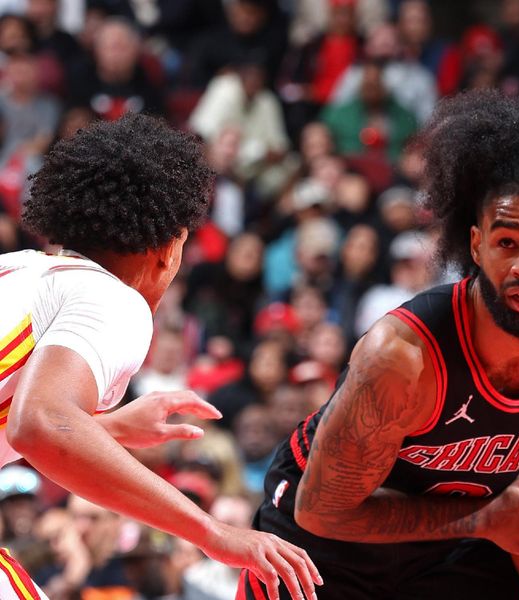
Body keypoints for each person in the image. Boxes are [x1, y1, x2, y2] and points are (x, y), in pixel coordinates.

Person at [240, 89, 519, 599]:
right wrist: (487, 517)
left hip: (470, 534)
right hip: (330, 539)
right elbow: (325, 510)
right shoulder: (401, 357)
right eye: (507, 242)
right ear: (475, 245)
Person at [0, 114, 320, 599]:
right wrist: (213, 532)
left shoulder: (18, 269)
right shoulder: (112, 299)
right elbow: (41, 424)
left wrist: (105, 430)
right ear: (168, 250)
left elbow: (35, 423)